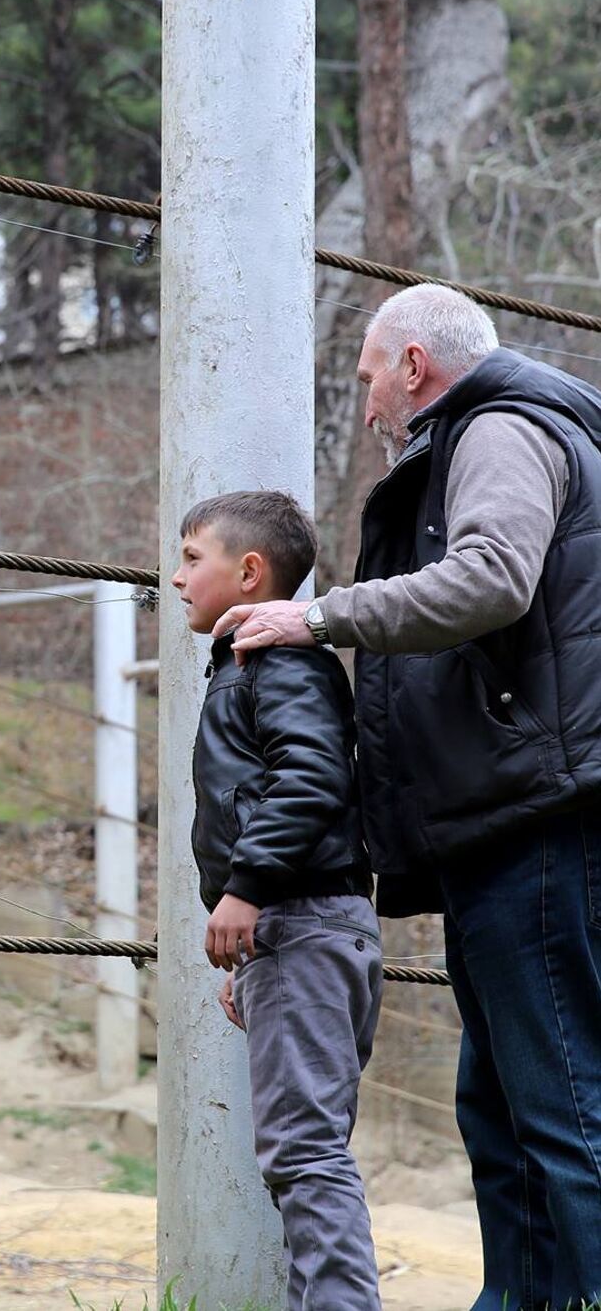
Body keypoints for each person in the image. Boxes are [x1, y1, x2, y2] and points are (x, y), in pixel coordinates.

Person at [216, 282, 601, 1311]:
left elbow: (492, 578)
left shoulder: (499, 429)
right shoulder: (487, 435)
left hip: (539, 821)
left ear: (413, 367)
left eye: (369, 380)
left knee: (562, 1102)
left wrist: (317, 619)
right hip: (502, 820)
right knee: (501, 1110)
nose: (369, 405)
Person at [172, 489, 381, 1311]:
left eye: (194, 559)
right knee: (304, 1150)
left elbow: (313, 778)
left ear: (249, 572)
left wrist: (247, 891)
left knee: (306, 1153)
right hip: (300, 930)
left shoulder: (278, 661)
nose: (180, 578)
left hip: (300, 919)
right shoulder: (251, 665)